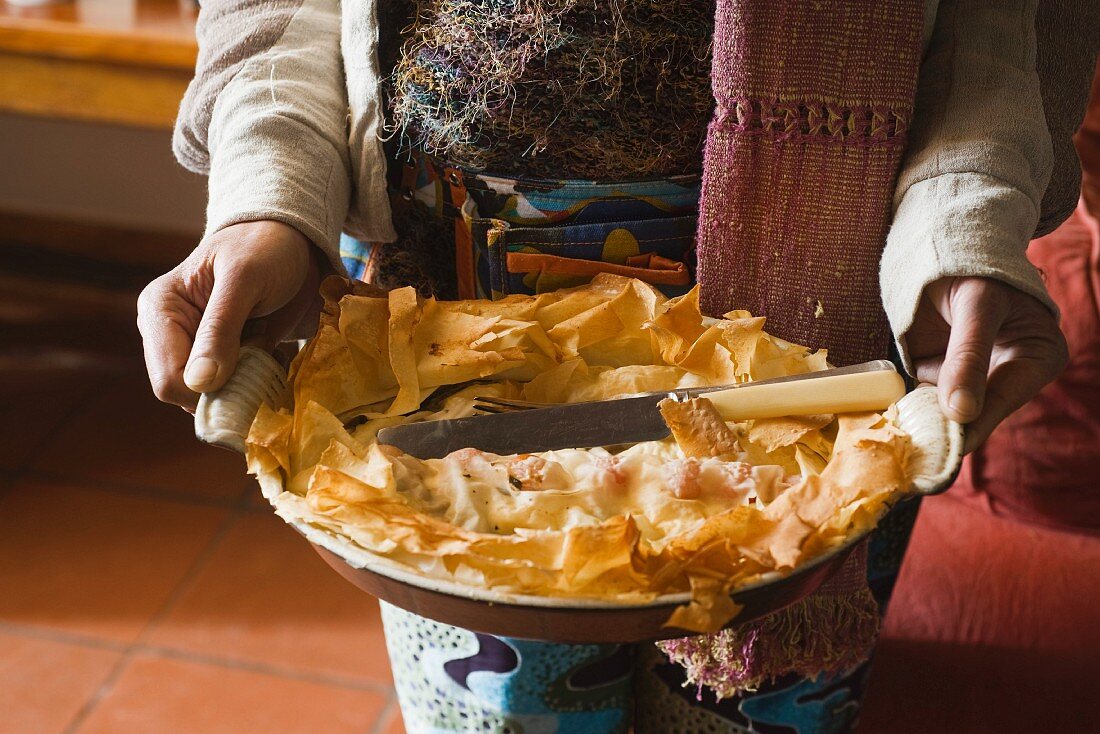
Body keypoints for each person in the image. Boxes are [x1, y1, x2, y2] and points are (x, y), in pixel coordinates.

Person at [137, 0, 1096, 730]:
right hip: (439, 309)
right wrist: (268, 192)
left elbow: (997, 21)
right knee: (505, 712)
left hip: (831, 321)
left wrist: (960, 221)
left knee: (764, 708)